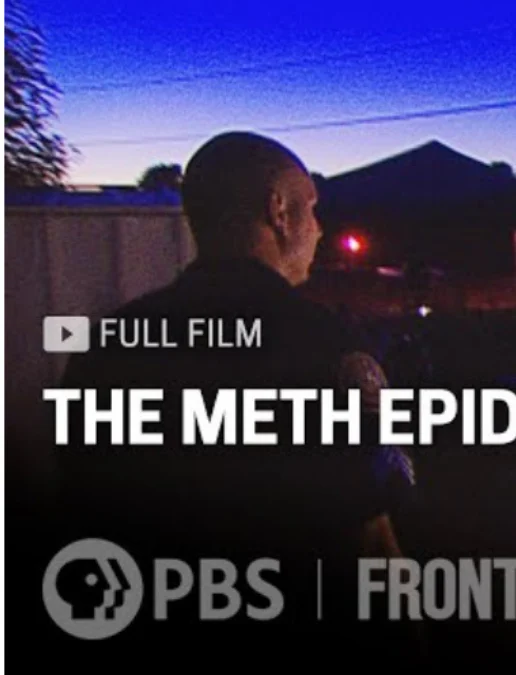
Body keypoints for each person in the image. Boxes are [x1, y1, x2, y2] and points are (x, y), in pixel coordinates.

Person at [51, 131, 416, 652]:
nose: (318, 229)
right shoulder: (321, 343)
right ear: (278, 212)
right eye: (311, 208)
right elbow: (370, 538)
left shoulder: (107, 346)